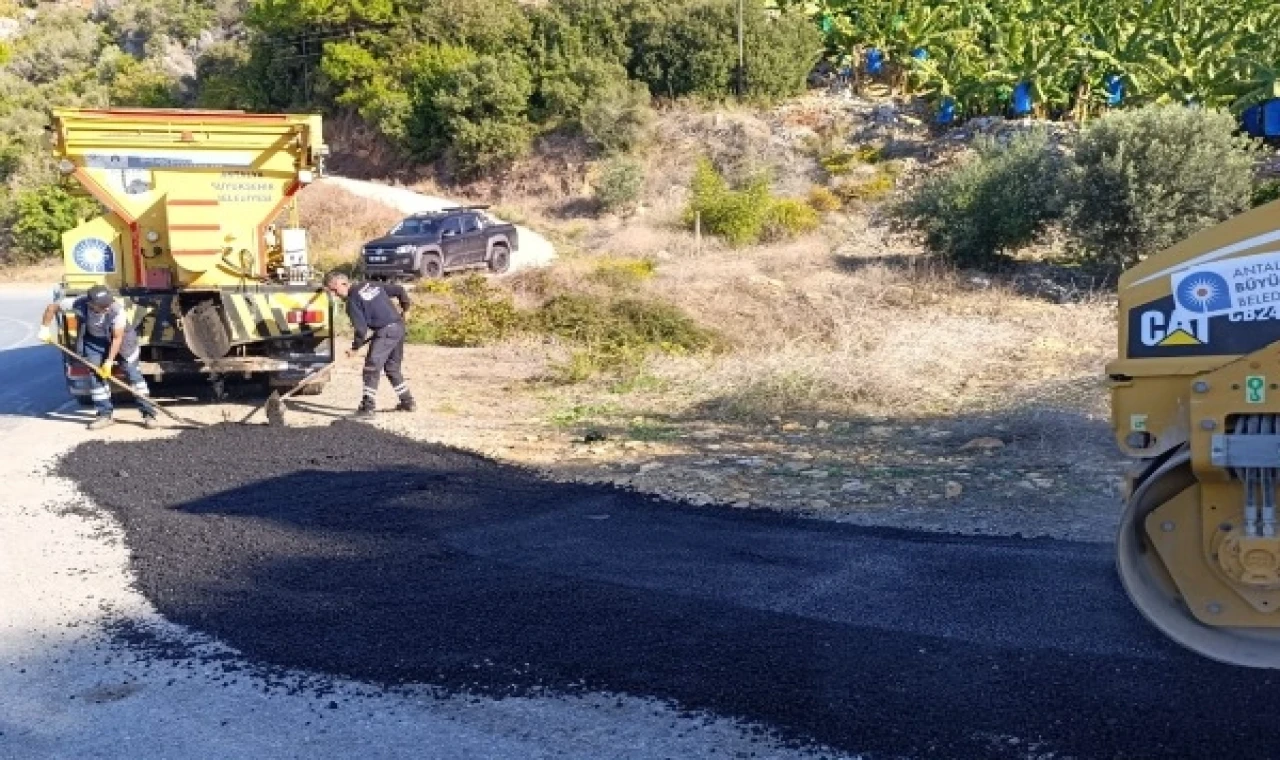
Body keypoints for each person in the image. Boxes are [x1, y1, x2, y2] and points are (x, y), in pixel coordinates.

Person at [38, 285, 158, 430]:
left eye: (108, 303)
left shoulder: (116, 310)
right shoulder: (78, 303)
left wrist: (108, 362)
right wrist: (44, 329)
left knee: (133, 375)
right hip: (94, 342)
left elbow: (117, 338)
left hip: (123, 342)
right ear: (91, 304)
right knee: (96, 377)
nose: (107, 307)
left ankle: (148, 414)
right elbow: (52, 308)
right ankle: (104, 415)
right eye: (103, 306)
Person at [323, 272, 416, 419]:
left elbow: (361, 329)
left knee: (371, 368)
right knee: (392, 368)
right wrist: (406, 309)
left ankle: (367, 408)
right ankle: (408, 402)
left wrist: (355, 348)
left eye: (334, 290)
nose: (335, 295)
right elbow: (399, 290)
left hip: (386, 331)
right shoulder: (372, 284)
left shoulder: (352, 301)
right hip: (398, 328)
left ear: (343, 284)